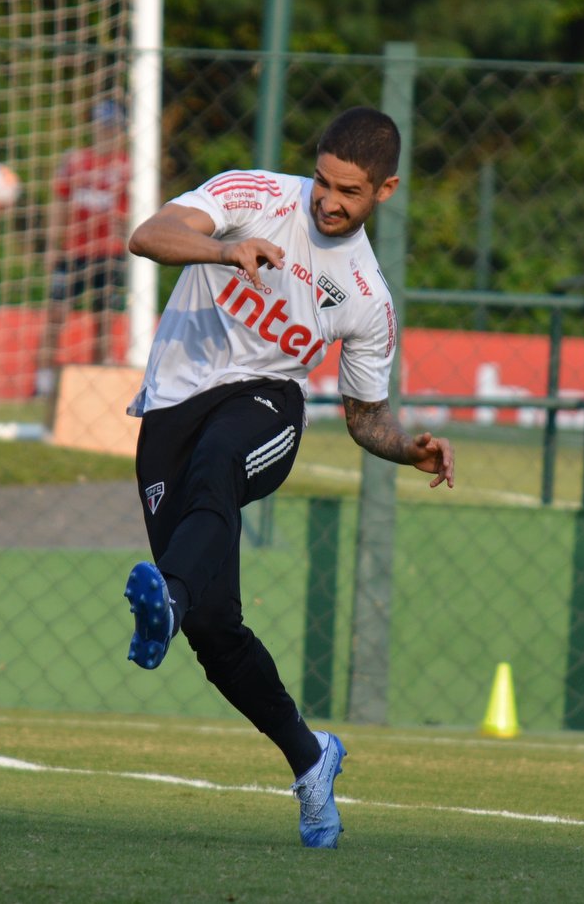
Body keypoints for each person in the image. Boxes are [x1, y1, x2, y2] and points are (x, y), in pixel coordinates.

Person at [121, 107, 455, 849]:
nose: (330, 202)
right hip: (171, 415)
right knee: (215, 629)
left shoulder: (368, 297)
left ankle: (165, 600)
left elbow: (366, 417)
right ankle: (311, 759)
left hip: (267, 409)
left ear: (386, 190)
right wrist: (219, 252)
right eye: (325, 182)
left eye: (352, 192)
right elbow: (147, 236)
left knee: (218, 467)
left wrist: (408, 450)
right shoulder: (252, 194)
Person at [35, 98, 132, 401]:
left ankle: (97, 382)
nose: (105, 133)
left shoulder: (127, 166)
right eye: (101, 127)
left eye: (111, 128)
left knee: (103, 320)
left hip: (109, 252)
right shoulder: (75, 161)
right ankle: (44, 383)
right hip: (74, 252)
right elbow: (60, 202)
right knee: (55, 315)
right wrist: (53, 244)